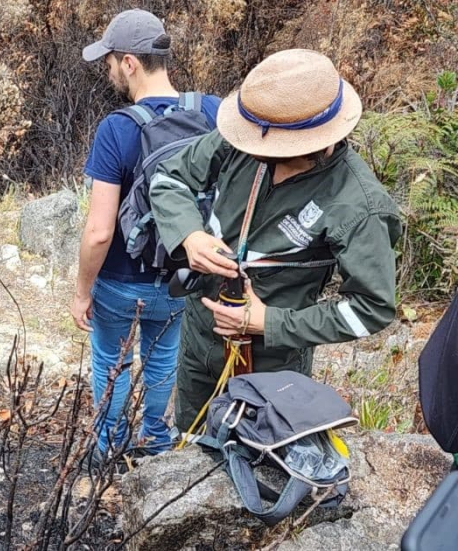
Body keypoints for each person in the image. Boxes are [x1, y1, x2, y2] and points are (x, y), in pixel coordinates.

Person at [149, 49, 401, 434]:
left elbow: (372, 307)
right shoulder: (248, 136)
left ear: (317, 140)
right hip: (201, 338)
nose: (259, 154)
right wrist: (190, 235)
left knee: (255, 459)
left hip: (271, 364)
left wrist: (270, 322)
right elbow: (170, 179)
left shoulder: (358, 205)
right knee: (192, 441)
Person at [71, 9, 222, 463]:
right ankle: (156, 441)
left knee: (111, 365)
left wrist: (81, 291)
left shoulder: (118, 128)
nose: (109, 70)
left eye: (111, 61)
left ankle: (108, 450)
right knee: (162, 360)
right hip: (183, 275)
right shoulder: (212, 112)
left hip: (120, 281)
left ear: (130, 63)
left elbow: (99, 232)